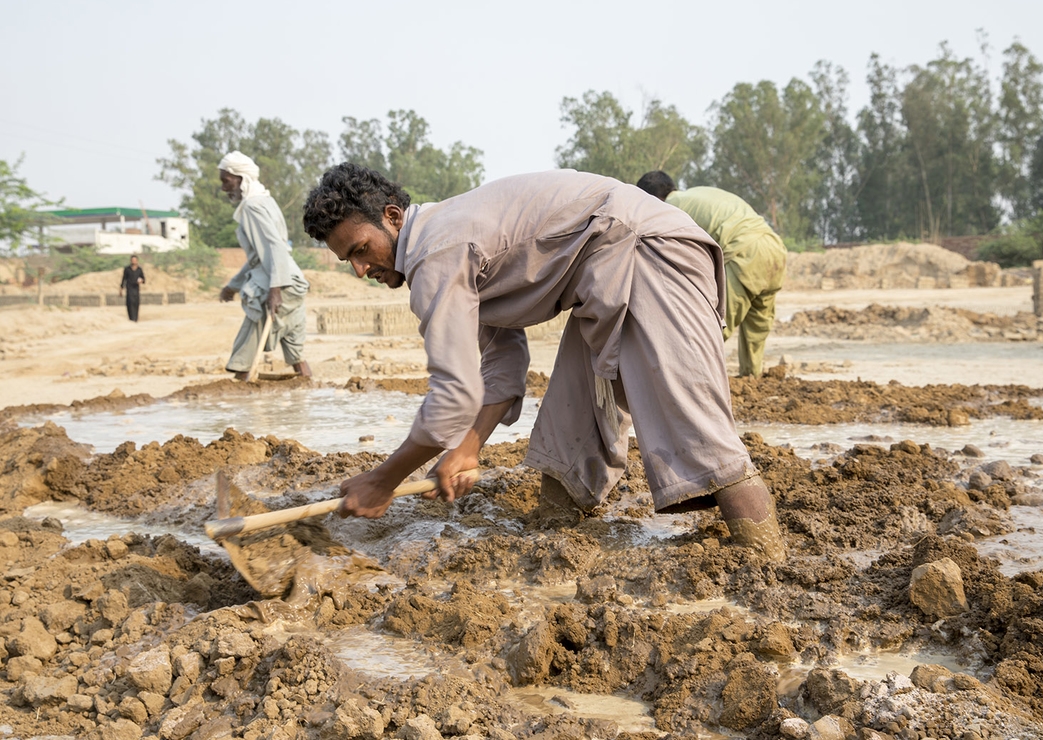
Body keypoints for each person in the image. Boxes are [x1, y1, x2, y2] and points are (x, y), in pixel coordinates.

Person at [302, 165, 786, 561]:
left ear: (392, 217)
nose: (361, 270)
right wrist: (469, 447)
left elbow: (453, 395)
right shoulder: (449, 243)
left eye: (362, 250)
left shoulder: (438, 253)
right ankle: (557, 542)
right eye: (349, 260)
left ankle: (770, 570)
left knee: (700, 433)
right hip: (598, 273)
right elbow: (503, 360)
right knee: (569, 427)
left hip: (646, 252)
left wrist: (382, 481)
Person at [636, 171, 787, 378]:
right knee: (757, 327)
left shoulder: (669, 209)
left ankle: (688, 380)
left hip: (745, 253)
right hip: (775, 249)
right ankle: (752, 378)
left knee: (714, 328)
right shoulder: (697, 194)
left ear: (651, 199)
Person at [218, 151, 311, 379]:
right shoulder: (266, 200)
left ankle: (241, 396)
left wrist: (275, 289)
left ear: (241, 178)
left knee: (248, 346)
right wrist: (233, 286)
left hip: (280, 284)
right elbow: (259, 259)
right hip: (293, 281)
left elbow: (274, 246)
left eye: (226, 181)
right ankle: (307, 393)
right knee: (296, 354)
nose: (224, 188)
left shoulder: (252, 206)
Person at [119, 255, 145, 322]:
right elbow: (123, 279)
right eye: (132, 260)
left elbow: (144, 279)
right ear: (131, 261)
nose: (134, 261)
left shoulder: (139, 269)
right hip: (129, 288)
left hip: (136, 289)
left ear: (137, 261)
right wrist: (121, 288)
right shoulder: (127, 269)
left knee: (136, 303)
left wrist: (141, 281)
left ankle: (135, 318)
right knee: (130, 303)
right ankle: (131, 318)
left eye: (135, 260)